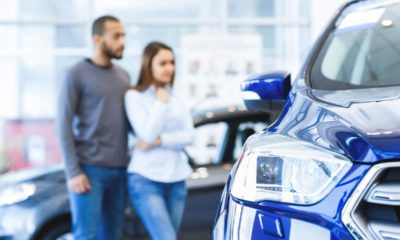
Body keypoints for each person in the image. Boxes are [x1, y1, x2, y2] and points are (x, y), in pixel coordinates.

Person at [57, 15, 130, 240]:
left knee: (112, 235)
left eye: (123, 35)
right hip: (89, 171)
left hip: (120, 169)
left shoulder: (124, 75)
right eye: (116, 36)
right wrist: (73, 172)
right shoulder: (75, 73)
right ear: (98, 39)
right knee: (86, 235)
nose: (122, 41)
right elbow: (63, 122)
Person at [125, 42, 194, 240]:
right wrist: (160, 102)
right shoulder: (134, 96)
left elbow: (189, 136)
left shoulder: (176, 97)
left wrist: (160, 140)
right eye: (162, 63)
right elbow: (146, 134)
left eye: (172, 62)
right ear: (149, 65)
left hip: (177, 178)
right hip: (146, 178)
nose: (169, 68)